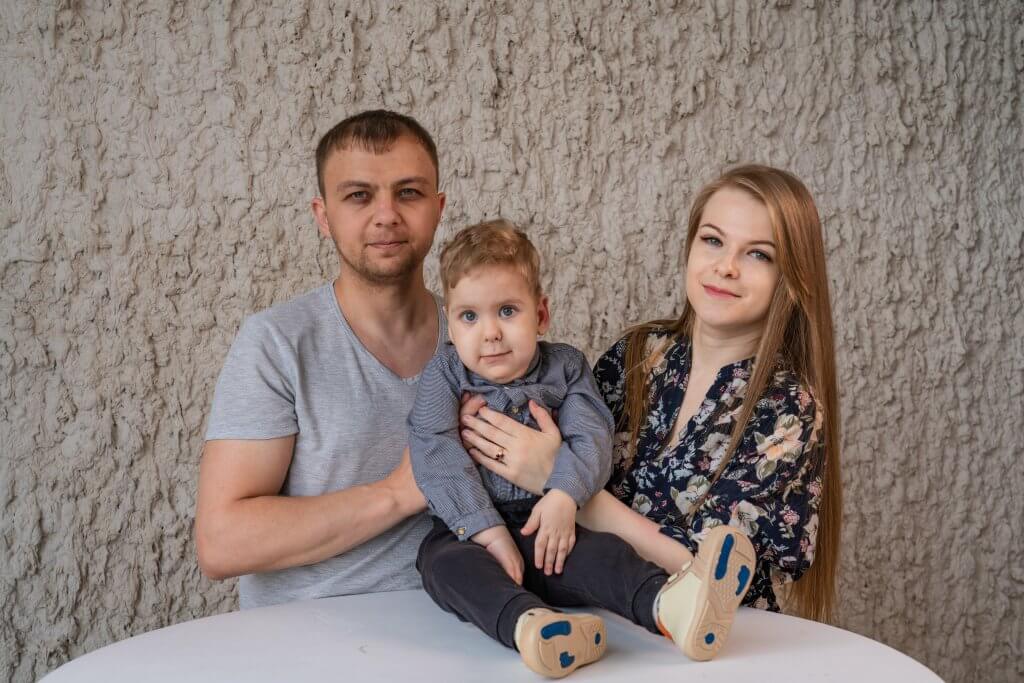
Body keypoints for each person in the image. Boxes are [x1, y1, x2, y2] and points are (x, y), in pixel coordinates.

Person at [460, 165, 841, 624]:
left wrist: (558, 478)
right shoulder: (638, 354)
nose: (726, 266)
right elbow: (556, 438)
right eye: (713, 240)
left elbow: (719, 576)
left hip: (716, 637)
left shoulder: (788, 409)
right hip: (603, 619)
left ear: (792, 279)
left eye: (758, 254)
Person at [410, 220, 757, 678]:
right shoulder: (445, 374)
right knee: (442, 565)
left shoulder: (566, 367)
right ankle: (531, 626)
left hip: (549, 522)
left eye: (507, 311)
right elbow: (434, 449)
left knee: (604, 555)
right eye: (469, 317)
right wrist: (486, 531)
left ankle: (672, 607)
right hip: (468, 529)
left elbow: (592, 436)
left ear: (541, 314)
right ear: (450, 323)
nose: (490, 332)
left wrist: (562, 495)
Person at [194, 110, 445, 608]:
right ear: (323, 216)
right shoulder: (278, 343)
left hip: (462, 624)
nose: (386, 214)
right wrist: (396, 494)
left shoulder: (483, 338)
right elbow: (221, 543)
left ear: (438, 208)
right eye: (359, 196)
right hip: (310, 639)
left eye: (408, 192)